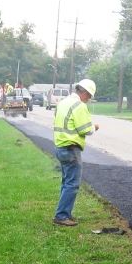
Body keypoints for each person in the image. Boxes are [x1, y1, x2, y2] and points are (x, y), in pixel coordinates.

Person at [52, 78, 100, 227]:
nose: (89, 99)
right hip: (71, 148)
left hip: (60, 146)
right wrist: (94, 127)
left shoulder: (63, 102)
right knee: (72, 184)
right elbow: (85, 129)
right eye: (89, 96)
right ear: (84, 92)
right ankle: (62, 216)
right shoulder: (79, 106)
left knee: (66, 182)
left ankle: (64, 212)